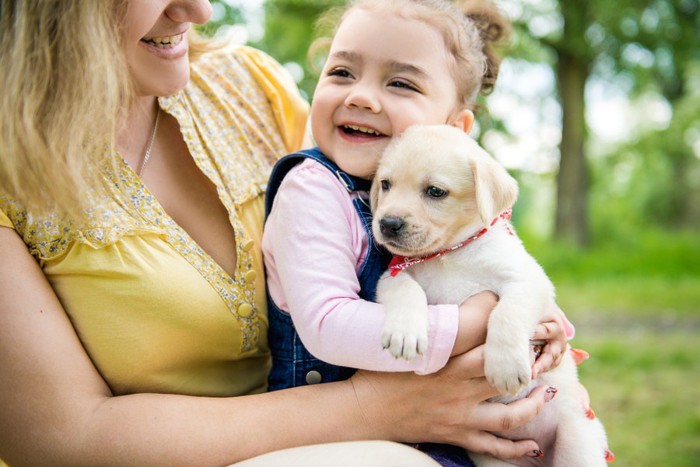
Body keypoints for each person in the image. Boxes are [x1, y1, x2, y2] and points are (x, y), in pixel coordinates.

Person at [1, 1, 562, 465]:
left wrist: (524, 311)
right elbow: (54, 439)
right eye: (341, 72)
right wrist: (397, 394)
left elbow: (425, 196)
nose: (198, 10)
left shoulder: (247, 84)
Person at [262, 0, 575, 464]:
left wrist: (533, 319)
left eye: (400, 82)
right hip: (335, 432)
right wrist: (474, 324)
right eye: (342, 73)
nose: (361, 97)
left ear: (456, 130)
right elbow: (329, 326)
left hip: (431, 425)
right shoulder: (312, 188)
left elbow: (516, 282)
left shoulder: (458, 201)